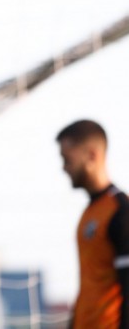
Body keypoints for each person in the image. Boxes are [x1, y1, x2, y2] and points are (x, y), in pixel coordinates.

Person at [57, 119, 129, 328]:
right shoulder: (89, 213)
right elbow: (89, 286)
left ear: (92, 155)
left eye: (67, 159)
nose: (64, 168)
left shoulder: (121, 211)